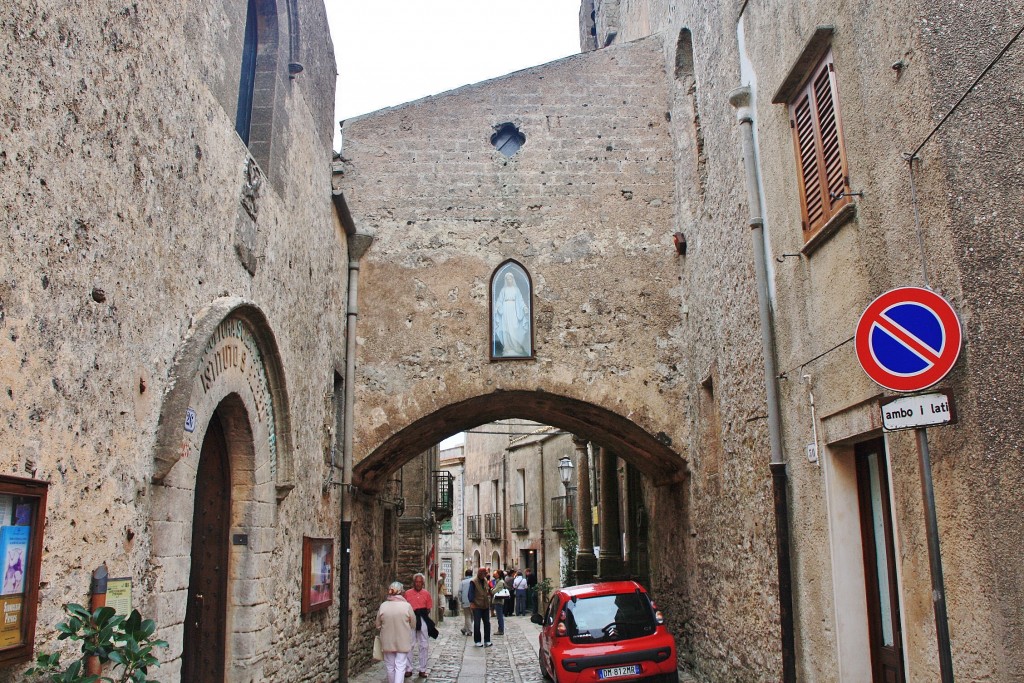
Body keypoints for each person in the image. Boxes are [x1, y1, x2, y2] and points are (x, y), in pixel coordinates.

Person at [376, 581, 416, 683]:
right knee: (400, 666)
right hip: (403, 640)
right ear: (401, 592)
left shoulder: (383, 606)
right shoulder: (406, 606)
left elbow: (377, 625)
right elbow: (413, 624)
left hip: (387, 640)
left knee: (390, 666)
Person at [493, 271, 530, 357]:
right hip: (505, 310)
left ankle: (516, 346)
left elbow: (520, 301)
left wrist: (524, 307)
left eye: (510, 278)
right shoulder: (503, 290)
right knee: (506, 328)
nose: (509, 280)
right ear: (506, 280)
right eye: (507, 279)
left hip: (514, 309)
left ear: (512, 279)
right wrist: (497, 306)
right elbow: (499, 300)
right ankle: (508, 347)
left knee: (514, 327)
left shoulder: (516, 290)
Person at [404, 572, 434, 678]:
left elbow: (429, 608)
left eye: (420, 582)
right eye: (416, 582)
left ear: (423, 583)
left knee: (424, 645)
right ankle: (408, 668)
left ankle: (422, 669)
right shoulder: (407, 593)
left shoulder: (426, 594)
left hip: (422, 619)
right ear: (413, 583)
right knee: (409, 644)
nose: (418, 584)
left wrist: (422, 616)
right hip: (410, 620)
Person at [468, 567, 493, 647]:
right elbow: (470, 593)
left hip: (485, 605)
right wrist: (472, 602)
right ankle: (477, 640)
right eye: (484, 573)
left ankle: (487, 640)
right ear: (480, 573)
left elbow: (487, 590)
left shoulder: (485, 580)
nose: (485, 575)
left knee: (487, 623)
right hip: (477, 605)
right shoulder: (473, 582)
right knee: (477, 623)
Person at [458, 569, 473, 636]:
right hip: (473, 601)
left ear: (465, 574)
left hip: (465, 601)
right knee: (472, 616)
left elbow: (460, 592)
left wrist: (461, 600)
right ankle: (465, 629)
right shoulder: (474, 581)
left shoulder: (463, 582)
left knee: (467, 616)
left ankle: (469, 630)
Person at [491, 569, 506, 635]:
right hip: (497, 601)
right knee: (499, 616)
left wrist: (492, 590)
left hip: (499, 601)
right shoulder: (498, 581)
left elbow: (494, 591)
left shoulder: (500, 582)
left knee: (499, 616)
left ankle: (501, 630)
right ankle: (500, 629)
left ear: (498, 575)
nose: (494, 574)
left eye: (495, 573)